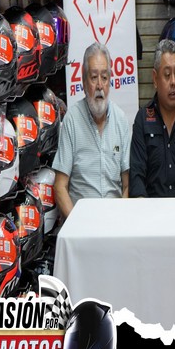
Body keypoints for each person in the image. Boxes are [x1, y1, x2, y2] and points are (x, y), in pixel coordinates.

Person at [52, 42, 131, 218]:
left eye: (104, 77)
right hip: (81, 221)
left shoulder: (121, 120)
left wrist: (121, 220)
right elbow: (60, 186)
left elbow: (127, 185)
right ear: (83, 81)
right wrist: (76, 224)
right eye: (94, 77)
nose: (100, 86)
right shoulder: (72, 120)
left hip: (114, 221)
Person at [129, 39, 175, 197]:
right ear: (155, 79)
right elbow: (136, 177)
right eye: (167, 75)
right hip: (151, 209)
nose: (174, 82)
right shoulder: (142, 120)